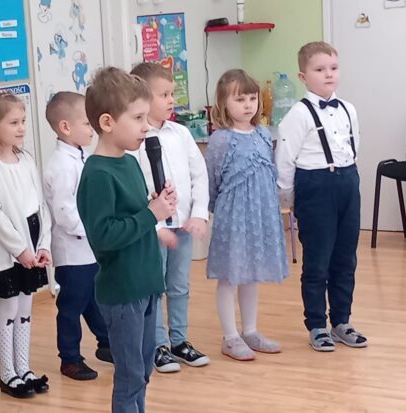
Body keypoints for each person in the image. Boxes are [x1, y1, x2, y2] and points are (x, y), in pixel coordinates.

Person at [77, 67, 176, 413]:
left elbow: (137, 215)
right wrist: (151, 214)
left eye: (146, 117)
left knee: (143, 371)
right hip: (122, 291)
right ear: (107, 122)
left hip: (146, 283)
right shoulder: (97, 174)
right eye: (137, 118)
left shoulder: (131, 163)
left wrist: (156, 206)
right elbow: (104, 235)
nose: (146, 126)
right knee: (130, 376)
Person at [275, 42, 368, 352]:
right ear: (303, 76)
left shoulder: (348, 109)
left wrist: (348, 175)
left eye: (333, 68)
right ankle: (316, 324)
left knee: (346, 257)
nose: (328, 74)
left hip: (347, 181)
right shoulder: (298, 114)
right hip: (315, 186)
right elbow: (285, 159)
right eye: (319, 69)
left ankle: (342, 321)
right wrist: (288, 197)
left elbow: (353, 145)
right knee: (317, 260)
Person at [0, 91, 52, 399]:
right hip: (6, 251)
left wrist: (42, 244)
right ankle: (8, 373)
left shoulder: (26, 159)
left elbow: (40, 205)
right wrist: (20, 249)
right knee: (9, 308)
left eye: (23, 121)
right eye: (13, 122)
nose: (21, 128)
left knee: (26, 308)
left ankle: (24, 368)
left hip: (32, 243)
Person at [130, 62, 210, 373]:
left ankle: (179, 340)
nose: (171, 100)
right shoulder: (136, 140)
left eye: (171, 93)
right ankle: (157, 344)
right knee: (155, 286)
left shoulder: (181, 133)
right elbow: (137, 187)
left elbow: (199, 175)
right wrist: (155, 224)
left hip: (183, 225)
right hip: (154, 228)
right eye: (163, 94)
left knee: (179, 285)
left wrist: (199, 214)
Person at [205, 69, 290, 361]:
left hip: (259, 215)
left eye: (252, 98)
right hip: (233, 217)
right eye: (240, 99)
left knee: (251, 274)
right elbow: (212, 180)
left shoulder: (264, 134)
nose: (248, 105)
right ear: (223, 103)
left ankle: (250, 330)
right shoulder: (221, 140)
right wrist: (216, 211)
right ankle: (230, 337)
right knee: (230, 276)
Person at [41, 91, 112, 381]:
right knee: (72, 305)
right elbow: (65, 212)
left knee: (94, 300)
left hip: (89, 251)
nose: (93, 128)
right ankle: (69, 358)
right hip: (72, 252)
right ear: (65, 127)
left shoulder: (82, 158)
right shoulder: (60, 165)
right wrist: (94, 231)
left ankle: (106, 342)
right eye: (87, 122)